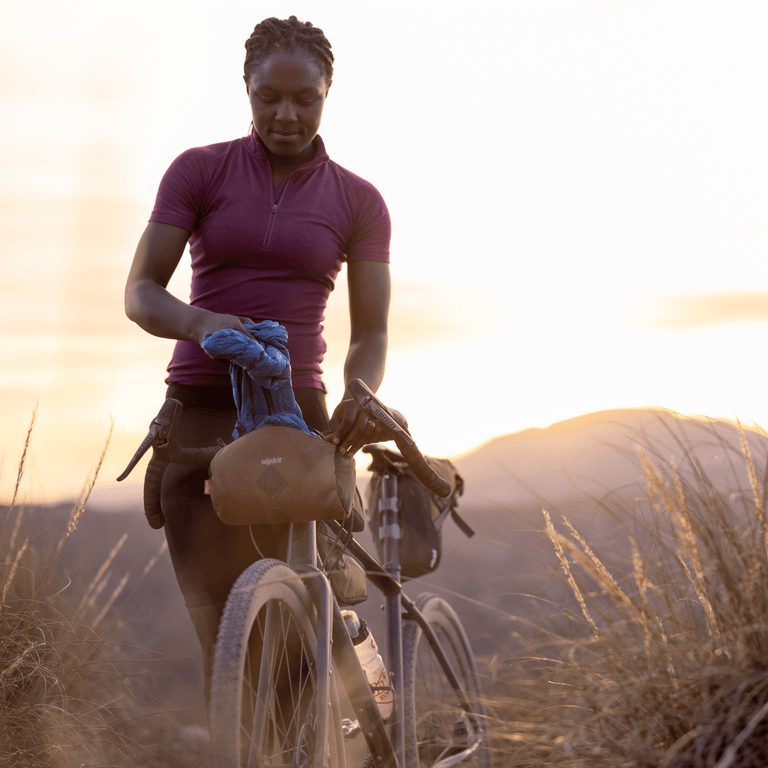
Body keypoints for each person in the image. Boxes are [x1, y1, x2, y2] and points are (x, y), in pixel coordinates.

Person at [124, 15, 391, 704]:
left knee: (302, 654)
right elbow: (142, 292)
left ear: (328, 93)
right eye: (269, 96)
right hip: (197, 422)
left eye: (306, 98)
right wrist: (203, 322)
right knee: (228, 650)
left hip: (296, 421)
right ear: (246, 88)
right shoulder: (199, 171)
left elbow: (371, 332)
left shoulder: (359, 202)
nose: (286, 113)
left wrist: (359, 393)